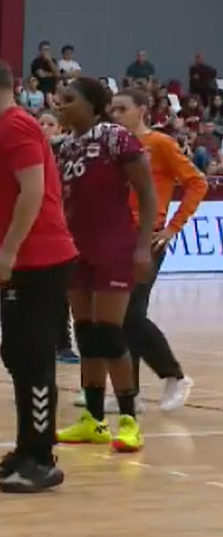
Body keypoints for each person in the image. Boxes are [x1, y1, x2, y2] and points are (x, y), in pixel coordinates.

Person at [0, 60, 78, 494]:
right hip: (27, 261)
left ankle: (41, 458)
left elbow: (33, 190)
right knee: (17, 354)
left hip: (40, 261)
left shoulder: (16, 127)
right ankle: (26, 447)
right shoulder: (9, 129)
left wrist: (9, 251)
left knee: (34, 358)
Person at [53, 78, 157, 453]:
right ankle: (93, 420)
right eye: (59, 99)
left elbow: (147, 192)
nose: (60, 105)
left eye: (69, 99)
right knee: (86, 334)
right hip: (76, 250)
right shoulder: (65, 147)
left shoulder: (116, 138)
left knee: (110, 334)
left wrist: (142, 247)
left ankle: (129, 421)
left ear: (93, 105)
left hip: (114, 247)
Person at [108, 88, 205, 412]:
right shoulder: (113, 146)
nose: (115, 115)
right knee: (123, 316)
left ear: (142, 110)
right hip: (116, 238)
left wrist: (172, 227)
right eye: (113, 109)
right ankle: (130, 393)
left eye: (122, 109)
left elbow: (197, 183)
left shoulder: (160, 144)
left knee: (130, 314)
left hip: (147, 238)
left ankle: (175, 375)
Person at [37, 111, 79, 366]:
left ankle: (64, 344)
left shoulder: (69, 154)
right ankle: (45, 343)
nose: (44, 128)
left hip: (66, 228)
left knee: (63, 292)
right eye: (41, 123)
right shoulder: (30, 152)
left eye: (50, 124)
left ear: (60, 129)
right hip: (39, 227)